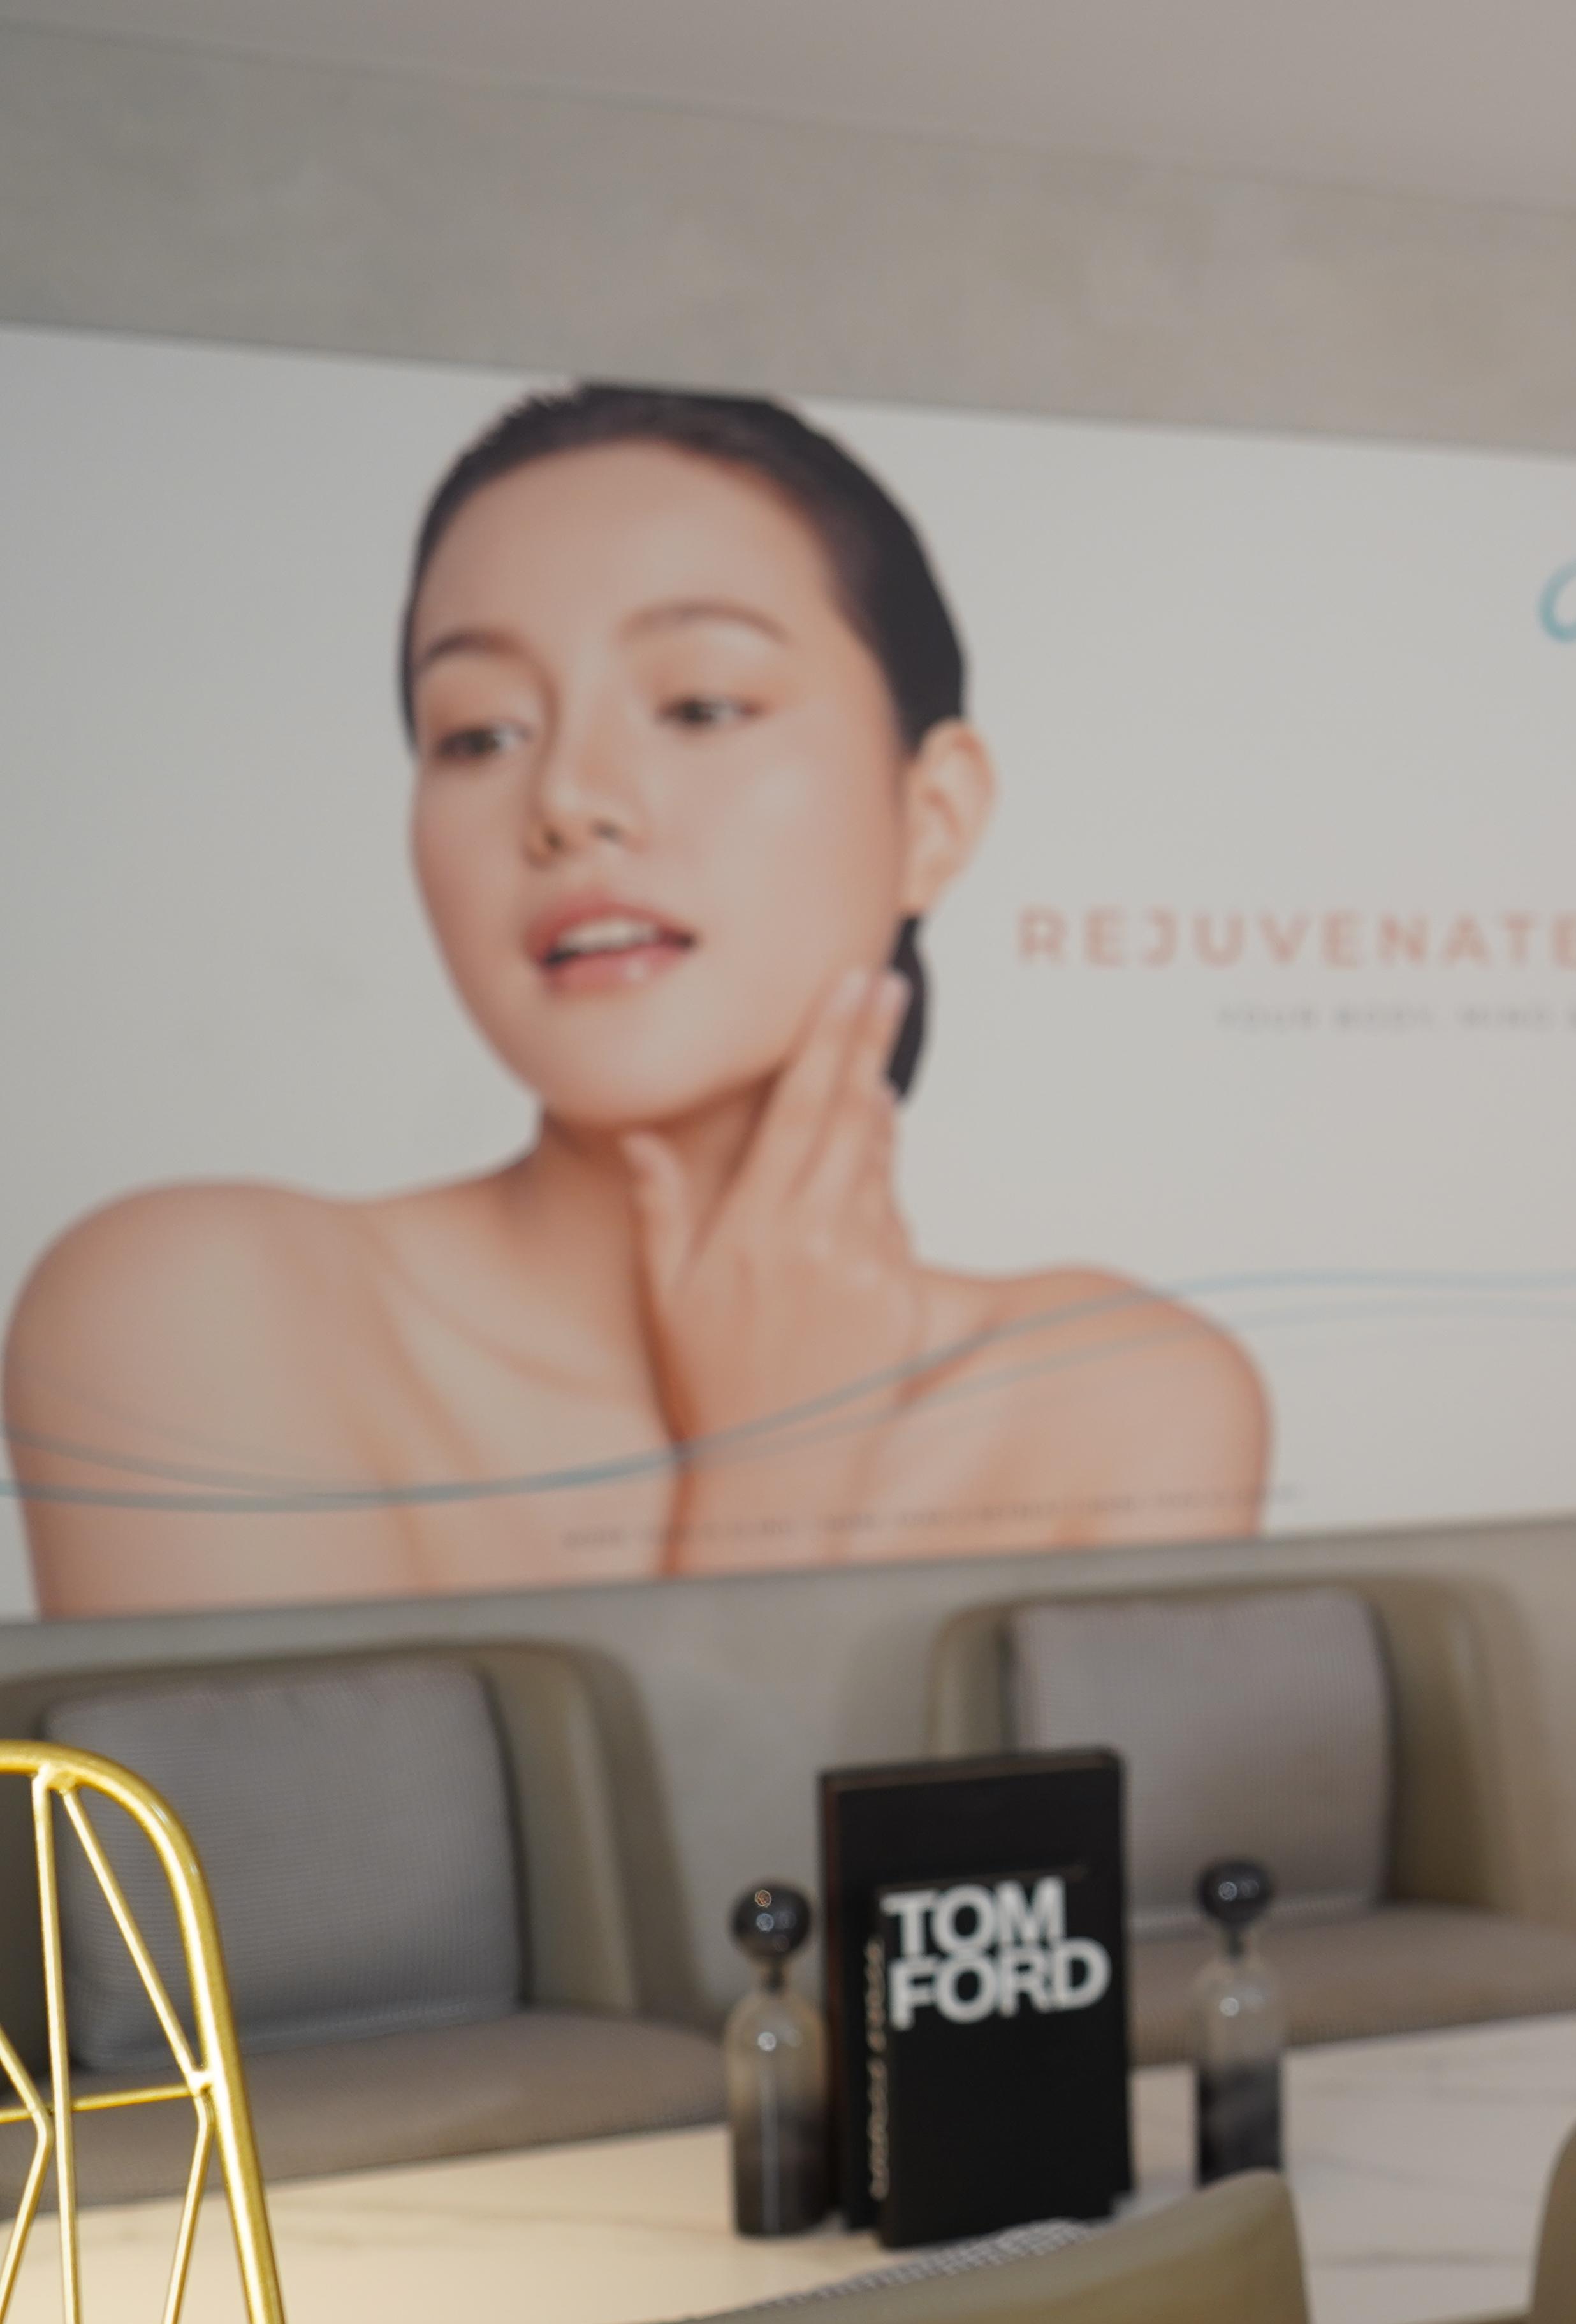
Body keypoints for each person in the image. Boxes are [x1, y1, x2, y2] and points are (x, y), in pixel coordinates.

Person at [4, 388, 1267, 1615]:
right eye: (480, 734)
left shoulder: (1113, 1399)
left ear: (933, 816)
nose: (567, 799)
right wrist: (776, 1475)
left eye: (700, 706)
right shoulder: (197, 1316)